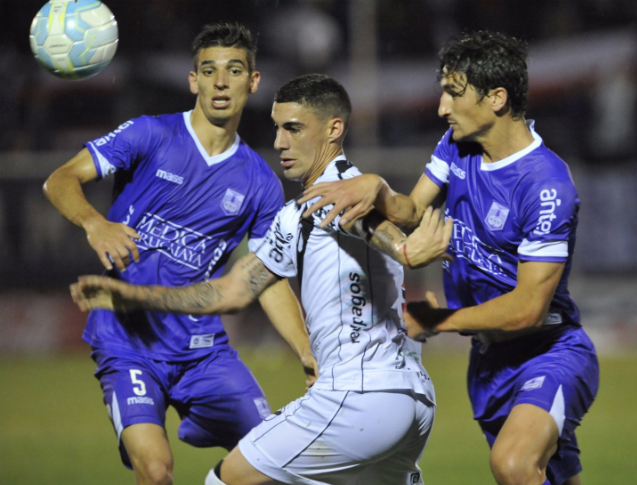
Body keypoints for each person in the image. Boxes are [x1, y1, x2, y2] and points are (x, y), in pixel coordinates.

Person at [70, 74, 452, 485]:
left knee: (225, 480)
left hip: (358, 397)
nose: (279, 142)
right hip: (412, 400)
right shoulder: (304, 209)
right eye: (277, 127)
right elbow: (233, 289)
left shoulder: (336, 195)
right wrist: (134, 297)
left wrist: (404, 249)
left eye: (294, 128)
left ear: (333, 129)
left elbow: (368, 226)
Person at [298, 31, 600, 485]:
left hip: (549, 355)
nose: (441, 106)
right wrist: (377, 188)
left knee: (513, 465)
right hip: (489, 364)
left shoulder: (546, 185)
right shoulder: (457, 145)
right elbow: (412, 212)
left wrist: (438, 321)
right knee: (543, 475)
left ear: (496, 98)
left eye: (453, 93)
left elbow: (529, 308)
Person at [44, 23, 315, 485]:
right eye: (208, 70)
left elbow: (265, 278)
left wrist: (308, 354)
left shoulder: (260, 184)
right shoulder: (151, 136)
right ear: (194, 80)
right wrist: (97, 224)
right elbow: (60, 179)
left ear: (253, 82)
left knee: (276, 463)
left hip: (202, 351)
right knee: (155, 471)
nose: (220, 81)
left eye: (233, 70)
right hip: (127, 341)